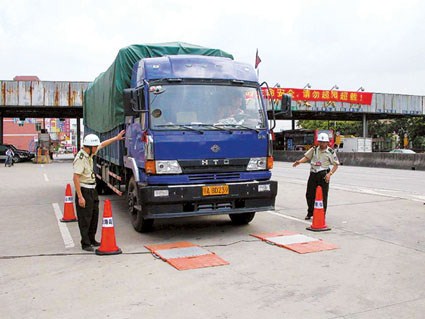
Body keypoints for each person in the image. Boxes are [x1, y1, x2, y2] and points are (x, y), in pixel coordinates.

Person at [73, 130, 125, 252]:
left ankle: (92, 239)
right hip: (84, 189)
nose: (97, 148)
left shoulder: (90, 153)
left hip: (92, 189)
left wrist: (116, 138)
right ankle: (85, 243)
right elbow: (75, 177)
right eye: (95, 147)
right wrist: (80, 196)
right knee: (85, 218)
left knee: (94, 216)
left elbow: (103, 144)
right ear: (90, 147)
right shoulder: (80, 158)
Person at [292, 132, 339, 220]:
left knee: (323, 195)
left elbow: (336, 165)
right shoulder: (314, 149)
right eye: (320, 142)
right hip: (313, 173)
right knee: (309, 194)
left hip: (323, 174)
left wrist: (330, 174)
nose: (322, 144)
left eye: (324, 142)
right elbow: (307, 157)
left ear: (327, 143)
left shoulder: (330, 152)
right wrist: (299, 162)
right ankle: (310, 212)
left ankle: (322, 214)